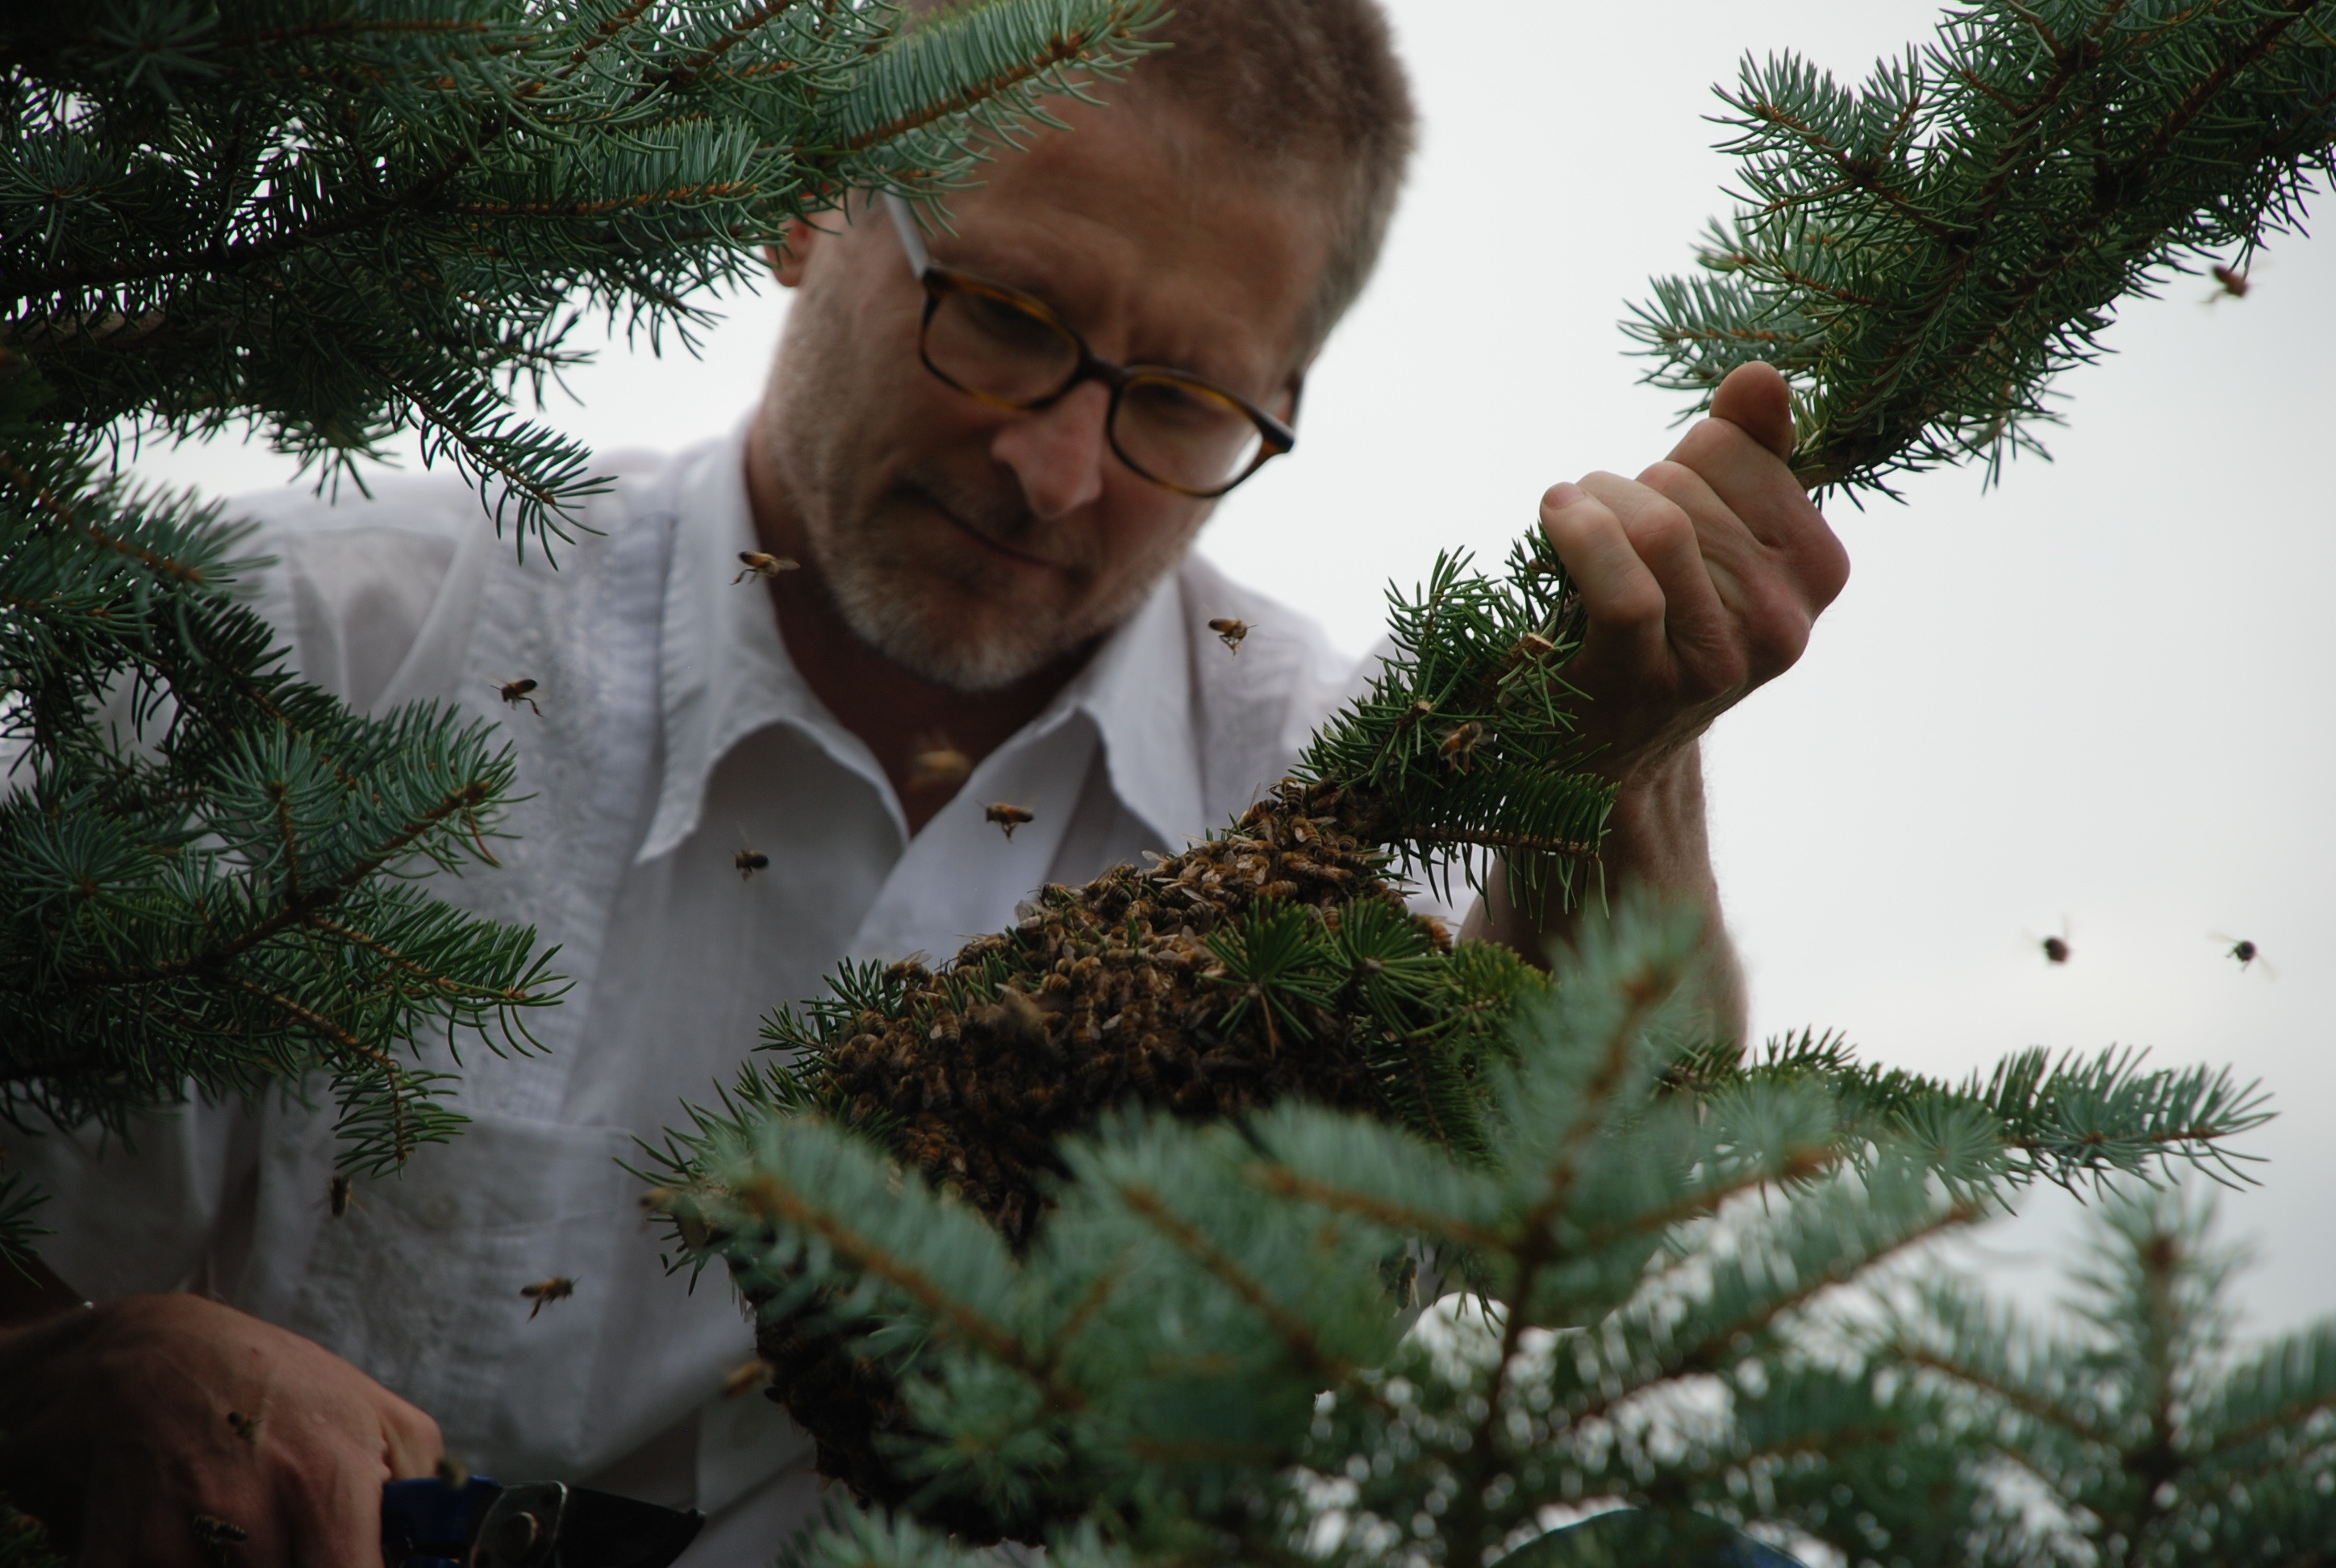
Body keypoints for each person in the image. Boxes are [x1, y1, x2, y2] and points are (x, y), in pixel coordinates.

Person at [0, 1, 1849, 1562]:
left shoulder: (1311, 770)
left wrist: (1623, 771)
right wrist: (66, 1373)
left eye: (1183, 403)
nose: (1054, 468)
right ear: (813, 205)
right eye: (1006, 315)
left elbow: (1592, 1225)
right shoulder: (306, 645)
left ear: (1280, 400)